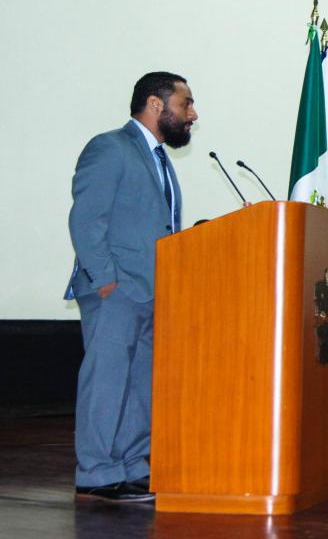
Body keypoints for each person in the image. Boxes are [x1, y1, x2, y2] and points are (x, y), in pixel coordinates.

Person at [65, 71, 197, 503]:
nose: (193, 114)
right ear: (156, 105)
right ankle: (98, 474)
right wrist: (105, 281)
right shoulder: (111, 147)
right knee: (107, 382)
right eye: (186, 103)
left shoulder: (159, 158)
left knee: (141, 384)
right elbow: (87, 220)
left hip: (154, 292)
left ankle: (134, 465)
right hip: (117, 291)